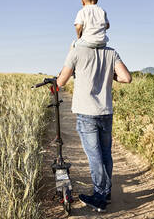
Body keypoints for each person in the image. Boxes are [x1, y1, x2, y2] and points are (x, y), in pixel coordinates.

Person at [57, 43, 132, 212]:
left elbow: (61, 81)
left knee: (94, 155)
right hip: (106, 112)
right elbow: (126, 78)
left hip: (86, 112)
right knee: (106, 153)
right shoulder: (111, 53)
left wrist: (56, 82)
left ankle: (99, 196)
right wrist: (110, 75)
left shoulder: (76, 51)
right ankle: (106, 192)